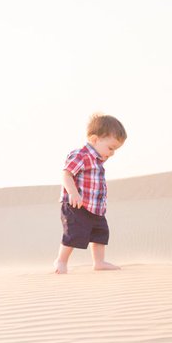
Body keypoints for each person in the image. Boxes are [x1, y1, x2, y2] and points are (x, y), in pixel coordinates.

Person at [53, 113, 127, 274]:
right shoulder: (81, 155)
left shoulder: (98, 161)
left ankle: (99, 262)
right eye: (111, 148)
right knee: (73, 233)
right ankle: (61, 261)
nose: (112, 153)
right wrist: (73, 193)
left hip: (95, 207)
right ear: (94, 140)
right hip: (76, 204)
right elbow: (66, 174)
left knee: (100, 233)